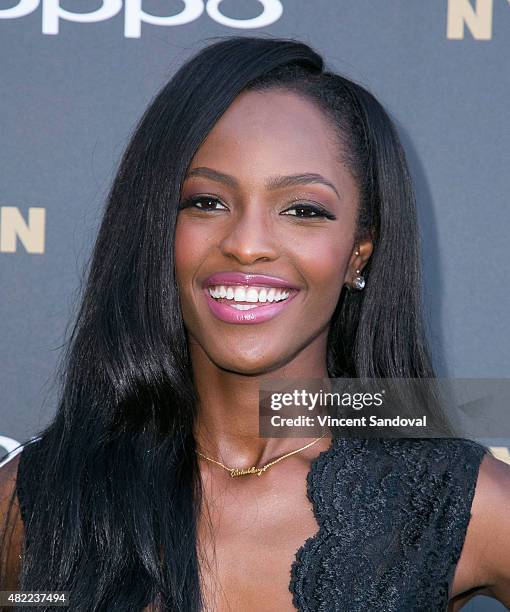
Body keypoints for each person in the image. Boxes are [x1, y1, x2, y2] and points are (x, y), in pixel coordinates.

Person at [1, 35, 509, 612]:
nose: (246, 245)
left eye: (304, 210)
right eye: (206, 202)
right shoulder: (38, 501)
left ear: (358, 253)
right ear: (156, 230)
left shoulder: (456, 502)